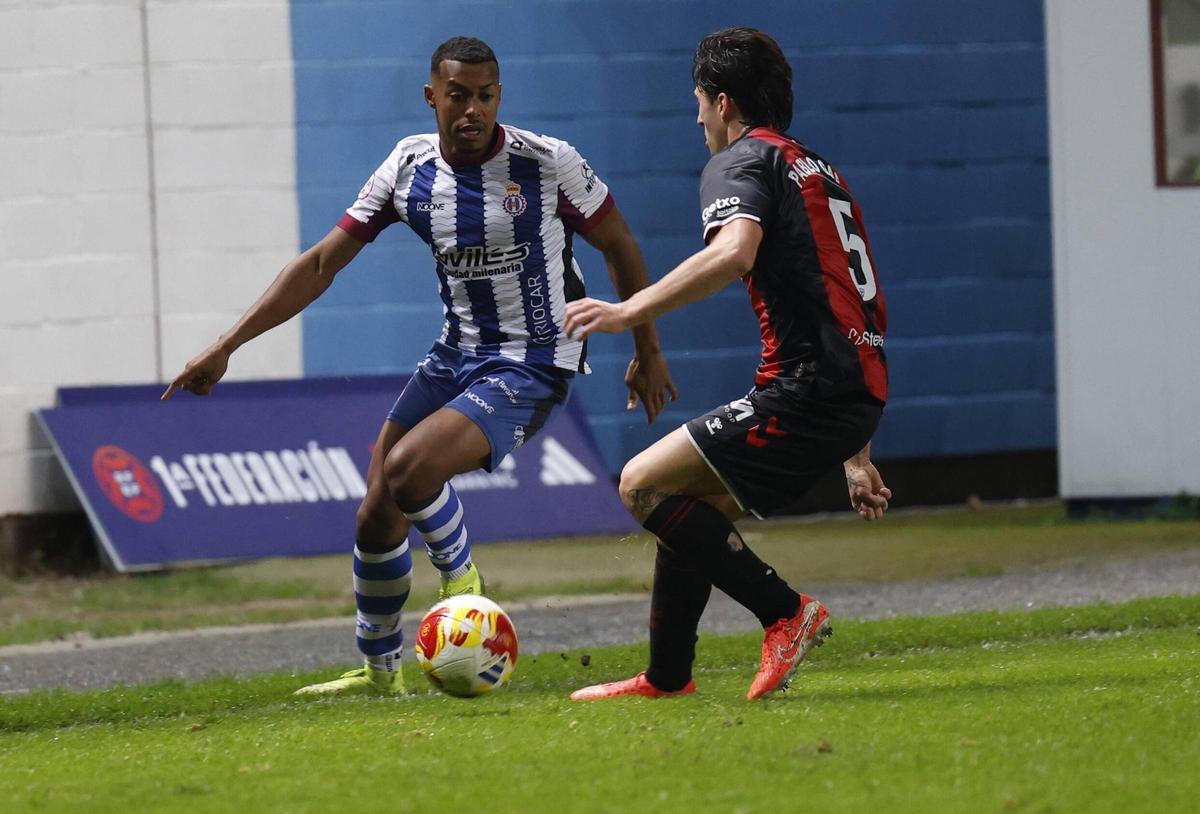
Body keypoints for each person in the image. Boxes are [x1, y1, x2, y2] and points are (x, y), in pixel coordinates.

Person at [162, 36, 676, 696]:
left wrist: (647, 349)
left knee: (409, 470)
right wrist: (228, 345)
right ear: (432, 96)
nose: (473, 110)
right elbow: (321, 263)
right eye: (458, 96)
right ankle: (381, 674)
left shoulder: (546, 163)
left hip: (534, 360)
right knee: (376, 509)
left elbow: (620, 246)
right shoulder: (408, 167)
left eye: (486, 97)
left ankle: (464, 583)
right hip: (456, 353)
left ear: (499, 98)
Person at [564, 27, 891, 701]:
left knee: (641, 485)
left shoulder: (741, 161)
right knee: (693, 505)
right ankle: (667, 677)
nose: (696, 118)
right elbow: (847, 307)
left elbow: (733, 253)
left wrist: (628, 312)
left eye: (699, 103)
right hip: (855, 391)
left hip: (807, 390)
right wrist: (857, 455)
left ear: (721, 102)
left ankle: (784, 613)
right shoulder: (816, 169)